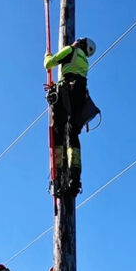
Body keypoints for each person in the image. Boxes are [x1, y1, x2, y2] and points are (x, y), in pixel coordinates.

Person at [44, 37, 100, 194]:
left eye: (79, 40)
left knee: (58, 132)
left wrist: (47, 56)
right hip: (79, 98)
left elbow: (49, 64)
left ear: (82, 44)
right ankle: (74, 179)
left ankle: (59, 176)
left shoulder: (71, 50)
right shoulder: (85, 62)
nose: (76, 40)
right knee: (72, 134)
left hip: (65, 94)